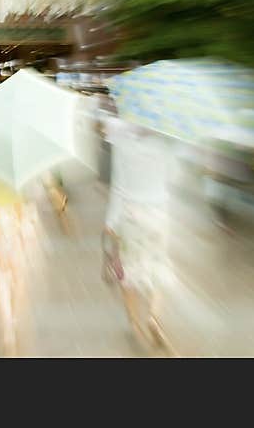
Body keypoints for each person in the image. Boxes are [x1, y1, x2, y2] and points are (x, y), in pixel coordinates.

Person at [103, 119, 175, 354]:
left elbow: (119, 187)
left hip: (131, 215)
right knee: (157, 265)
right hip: (159, 213)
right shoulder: (166, 142)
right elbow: (170, 179)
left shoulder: (122, 142)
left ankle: (135, 325)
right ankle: (153, 317)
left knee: (127, 270)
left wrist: (110, 223)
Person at [0, 173, 43, 356]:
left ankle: (7, 330)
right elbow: (32, 193)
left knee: (0, 275)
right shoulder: (24, 158)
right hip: (20, 217)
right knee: (18, 274)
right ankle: (15, 319)